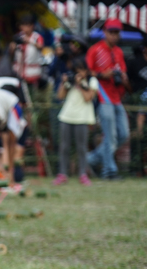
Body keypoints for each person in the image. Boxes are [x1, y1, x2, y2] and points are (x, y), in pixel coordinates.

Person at [86, 19, 130, 181]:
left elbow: (122, 71)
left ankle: (90, 159)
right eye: (111, 32)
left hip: (117, 97)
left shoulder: (119, 51)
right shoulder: (95, 50)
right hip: (102, 96)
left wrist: (123, 78)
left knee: (123, 134)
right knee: (110, 136)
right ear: (104, 32)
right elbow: (86, 72)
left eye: (116, 33)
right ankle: (109, 171)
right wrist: (102, 74)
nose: (114, 36)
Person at [54, 58, 97, 186]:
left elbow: (88, 98)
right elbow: (60, 96)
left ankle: (83, 174)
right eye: (76, 71)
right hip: (66, 116)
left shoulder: (91, 81)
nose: (78, 74)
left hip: (82, 118)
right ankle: (62, 174)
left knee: (82, 148)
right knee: (64, 147)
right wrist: (64, 83)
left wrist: (81, 84)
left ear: (86, 70)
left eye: (81, 70)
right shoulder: (71, 80)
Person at [10, 14, 44, 87]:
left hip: (32, 73)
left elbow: (41, 47)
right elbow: (12, 54)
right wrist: (12, 47)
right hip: (19, 72)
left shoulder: (37, 37)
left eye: (27, 25)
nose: (25, 28)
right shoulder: (18, 36)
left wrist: (29, 41)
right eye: (23, 25)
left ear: (32, 26)